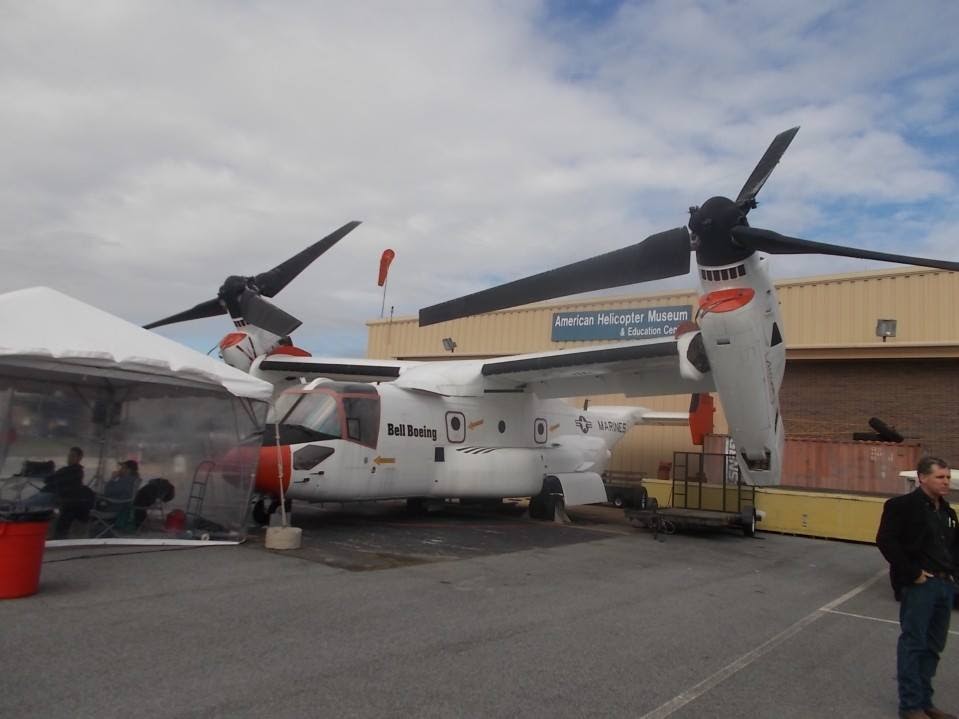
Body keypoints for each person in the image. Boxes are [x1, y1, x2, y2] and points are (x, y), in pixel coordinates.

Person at [876, 456, 958, 719]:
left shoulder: (948, 512)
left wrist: (954, 577)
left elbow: (952, 549)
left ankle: (925, 701)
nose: (946, 482)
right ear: (922, 478)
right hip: (921, 586)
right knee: (914, 644)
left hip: (945, 586)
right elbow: (886, 541)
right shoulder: (901, 506)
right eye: (940, 477)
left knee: (934, 646)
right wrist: (913, 573)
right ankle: (910, 706)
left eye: (948, 477)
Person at [28, 446, 94, 538]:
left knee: (28, 504)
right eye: (69, 456)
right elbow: (51, 479)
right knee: (31, 501)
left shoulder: (76, 472)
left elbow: (54, 480)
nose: (69, 458)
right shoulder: (67, 470)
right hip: (53, 495)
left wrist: (52, 479)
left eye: (72, 456)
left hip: (58, 497)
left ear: (79, 458)